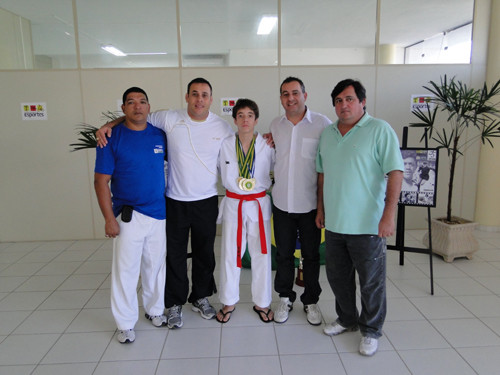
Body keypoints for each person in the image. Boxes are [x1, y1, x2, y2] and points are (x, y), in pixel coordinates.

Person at [95, 78, 234, 329]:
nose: (199, 99)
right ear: (186, 97)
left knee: (205, 254)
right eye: (194, 94)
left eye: (204, 95)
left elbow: (241, 146)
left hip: (206, 200)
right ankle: (174, 303)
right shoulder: (168, 119)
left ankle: (201, 297)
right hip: (174, 201)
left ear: (211, 99)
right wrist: (108, 125)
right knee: (174, 256)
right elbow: (136, 118)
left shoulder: (222, 128)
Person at [315, 79, 403, 356]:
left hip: (368, 224)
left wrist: (389, 215)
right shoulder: (327, 133)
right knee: (338, 278)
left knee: (370, 281)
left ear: (362, 102)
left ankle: (371, 329)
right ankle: (347, 319)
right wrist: (320, 209)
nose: (344, 105)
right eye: (339, 100)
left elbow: (396, 172)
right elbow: (322, 174)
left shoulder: (380, 130)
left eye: (349, 99)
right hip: (336, 224)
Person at [94, 87, 167, 343]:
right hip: (128, 216)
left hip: (159, 213)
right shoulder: (110, 138)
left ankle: (155, 311)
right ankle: (125, 323)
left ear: (149, 106)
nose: (138, 106)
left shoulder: (160, 135)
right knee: (126, 270)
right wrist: (109, 219)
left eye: (142, 102)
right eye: (131, 102)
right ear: (123, 108)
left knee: (155, 267)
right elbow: (101, 182)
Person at [269, 77, 331, 325]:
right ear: (281, 98)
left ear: (305, 94)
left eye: (295, 92)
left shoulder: (322, 124)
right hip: (282, 204)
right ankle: (285, 297)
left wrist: (323, 206)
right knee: (283, 254)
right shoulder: (275, 125)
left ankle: (311, 301)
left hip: (310, 206)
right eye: (285, 94)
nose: (290, 98)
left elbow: (326, 167)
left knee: (311, 256)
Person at [216, 99, 275, 323]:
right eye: (240, 115)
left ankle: (262, 302)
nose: (245, 119)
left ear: (256, 120)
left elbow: (278, 167)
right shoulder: (224, 144)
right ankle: (229, 301)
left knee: (261, 254)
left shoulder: (268, 145)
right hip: (234, 203)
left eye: (250, 115)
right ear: (234, 120)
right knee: (231, 253)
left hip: (259, 203)